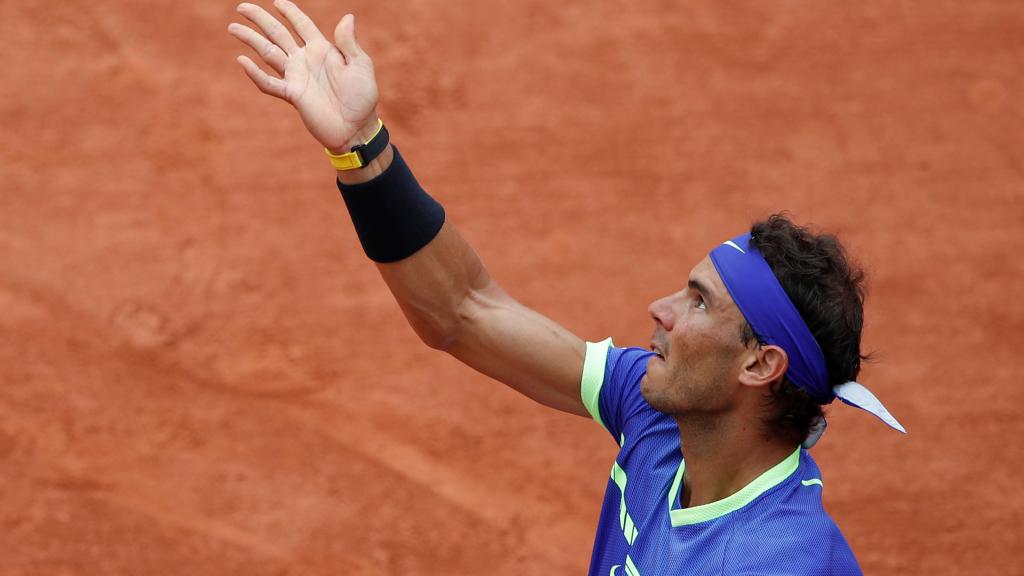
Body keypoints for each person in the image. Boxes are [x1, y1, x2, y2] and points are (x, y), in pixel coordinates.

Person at [228, 2, 906, 574]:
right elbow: (462, 311)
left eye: (698, 302)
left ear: (760, 364)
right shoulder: (661, 412)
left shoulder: (776, 562)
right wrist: (361, 149)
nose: (660, 311)